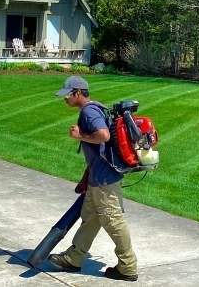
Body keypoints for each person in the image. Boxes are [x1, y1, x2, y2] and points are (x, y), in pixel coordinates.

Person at [48, 76, 138, 282]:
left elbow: (104, 135)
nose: (65, 99)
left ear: (77, 93)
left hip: (105, 179)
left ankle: (128, 266)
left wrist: (80, 136)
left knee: (113, 220)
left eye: (67, 95)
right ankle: (74, 258)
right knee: (90, 216)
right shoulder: (95, 108)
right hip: (99, 177)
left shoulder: (89, 112)